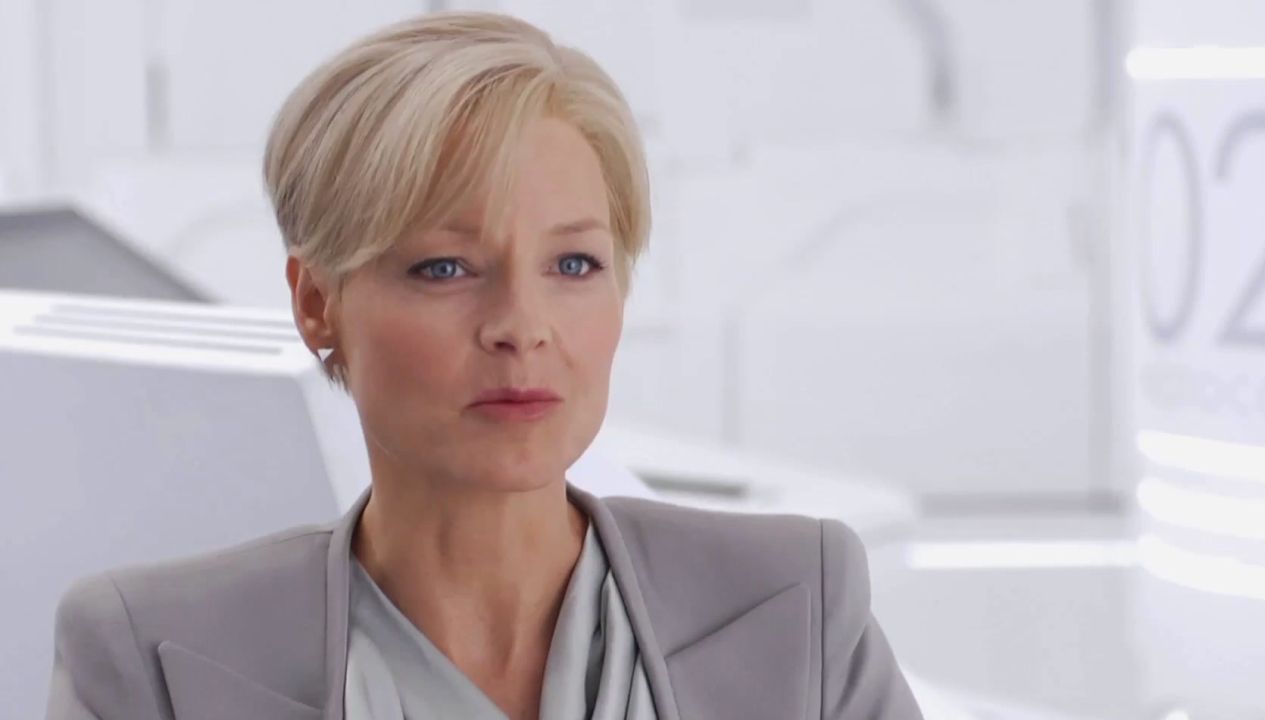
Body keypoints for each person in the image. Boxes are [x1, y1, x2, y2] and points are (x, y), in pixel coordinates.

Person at [44, 11, 922, 719]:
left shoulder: (796, 604)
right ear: (317, 303)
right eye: (446, 268)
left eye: (573, 264)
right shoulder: (151, 658)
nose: (521, 328)